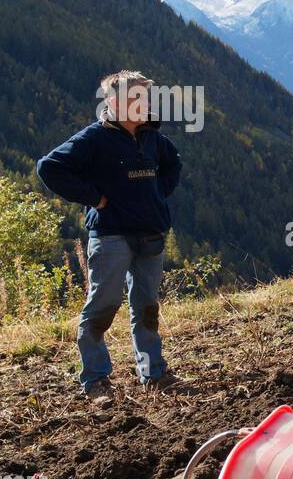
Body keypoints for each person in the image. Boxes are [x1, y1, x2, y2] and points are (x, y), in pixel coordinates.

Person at [37, 71, 183, 404]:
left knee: (146, 308)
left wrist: (159, 194)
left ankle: (154, 375)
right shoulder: (94, 138)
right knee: (103, 307)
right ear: (114, 103)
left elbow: (173, 164)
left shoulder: (153, 138)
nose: (143, 105)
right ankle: (96, 381)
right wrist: (92, 196)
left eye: (146, 99)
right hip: (111, 235)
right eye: (136, 99)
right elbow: (49, 167)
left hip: (151, 233)